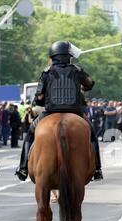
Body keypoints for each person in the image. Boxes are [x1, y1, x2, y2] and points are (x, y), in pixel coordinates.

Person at [15, 41, 103, 181]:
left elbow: (39, 96)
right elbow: (90, 84)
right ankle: (97, 168)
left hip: (50, 112)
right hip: (75, 112)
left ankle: (23, 168)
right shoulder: (76, 70)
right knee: (91, 134)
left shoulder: (46, 72)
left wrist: (40, 102)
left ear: (53, 56)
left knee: (30, 135)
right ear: (68, 56)